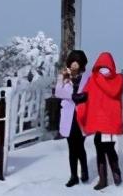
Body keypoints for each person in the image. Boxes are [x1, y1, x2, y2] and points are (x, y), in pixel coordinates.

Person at [76, 52, 123, 190]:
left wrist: (81, 114)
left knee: (100, 149)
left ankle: (103, 180)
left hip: (98, 122)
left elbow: (84, 98)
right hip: (110, 123)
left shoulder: (93, 79)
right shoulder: (118, 80)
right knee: (110, 147)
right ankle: (116, 174)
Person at [54, 49, 90, 187]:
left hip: (82, 114)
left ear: (82, 64)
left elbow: (90, 91)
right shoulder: (63, 75)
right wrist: (72, 96)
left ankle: (84, 171)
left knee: (80, 145)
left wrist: (84, 96)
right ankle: (73, 175)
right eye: (73, 62)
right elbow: (58, 92)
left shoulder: (87, 76)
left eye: (77, 62)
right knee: (71, 147)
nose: (75, 65)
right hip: (68, 115)